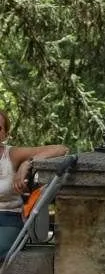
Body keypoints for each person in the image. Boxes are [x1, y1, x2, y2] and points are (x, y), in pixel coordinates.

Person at [0, 109, 69, 255]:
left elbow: (61, 149)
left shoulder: (11, 154)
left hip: (9, 217)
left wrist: (27, 163)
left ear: (5, 134)